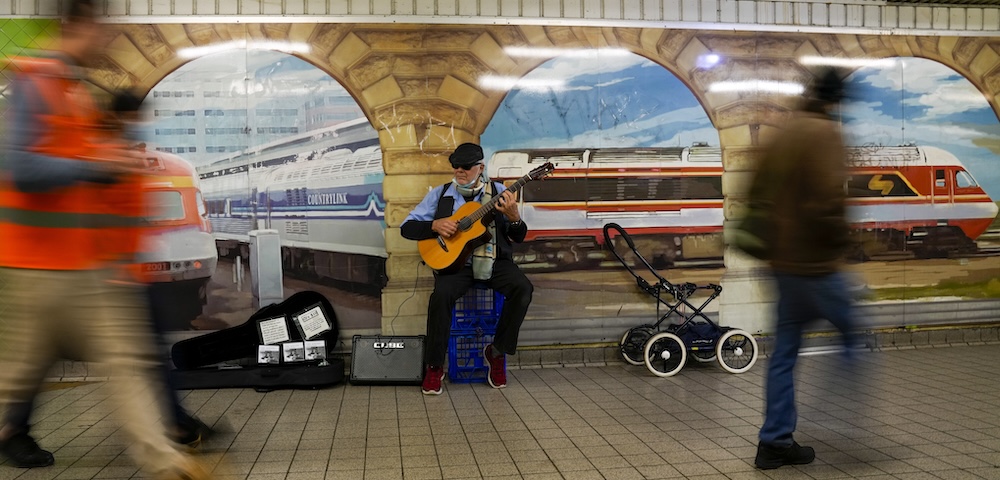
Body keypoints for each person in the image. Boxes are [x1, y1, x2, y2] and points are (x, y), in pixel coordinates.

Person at [0, 1, 212, 478]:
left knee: (128, 359)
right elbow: (19, 166)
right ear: (80, 25)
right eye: (104, 29)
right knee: (20, 370)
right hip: (38, 265)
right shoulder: (37, 81)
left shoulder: (73, 91)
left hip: (80, 265)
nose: (109, 40)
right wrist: (101, 167)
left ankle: (167, 459)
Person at [750, 68, 859, 470]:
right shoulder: (825, 132)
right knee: (853, 333)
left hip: (782, 264)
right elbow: (829, 201)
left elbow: (758, 192)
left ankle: (774, 442)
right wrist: (841, 244)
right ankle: (850, 422)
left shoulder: (786, 133)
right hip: (816, 265)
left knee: (784, 355)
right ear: (836, 98)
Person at [401, 142, 534, 395]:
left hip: (495, 260)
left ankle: (496, 352)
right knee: (440, 297)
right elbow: (407, 228)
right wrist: (435, 226)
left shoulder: (500, 193)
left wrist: (514, 217)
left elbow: (519, 237)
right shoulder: (441, 195)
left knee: (523, 289)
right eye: (455, 166)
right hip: (455, 265)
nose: (459, 171)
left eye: (465, 167)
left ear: (480, 167)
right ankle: (434, 366)